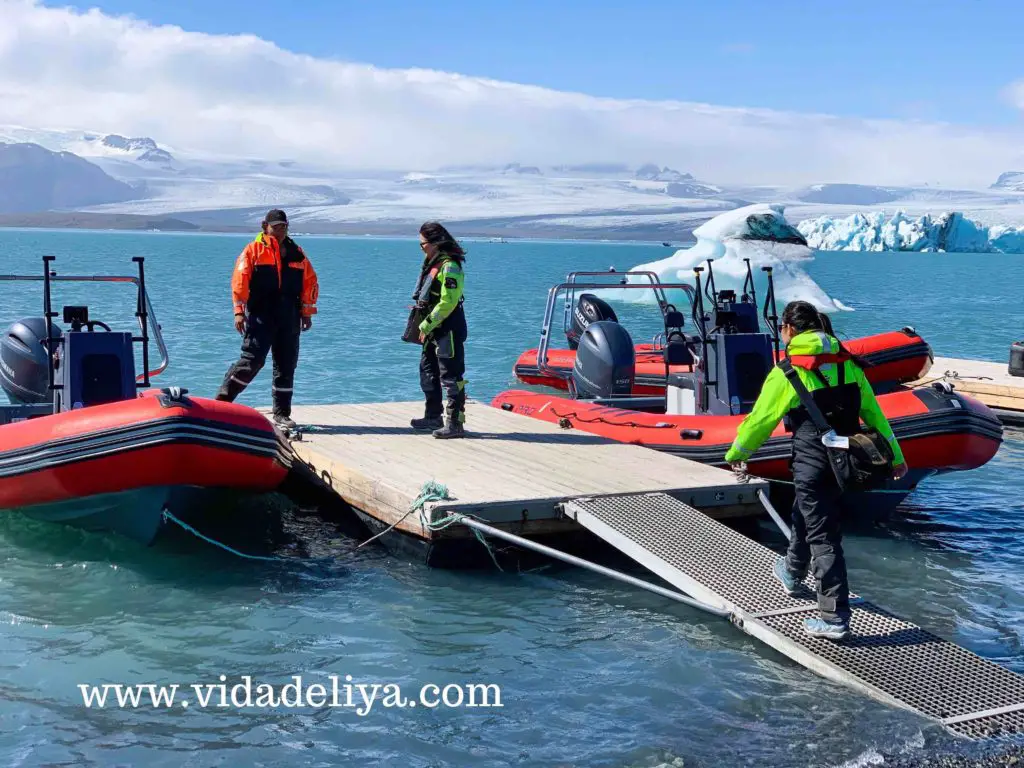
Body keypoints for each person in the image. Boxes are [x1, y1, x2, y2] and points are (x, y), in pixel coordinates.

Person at [724, 301, 908, 641]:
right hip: (844, 462)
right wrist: (896, 456)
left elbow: (760, 421)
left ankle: (833, 616)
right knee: (806, 514)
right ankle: (793, 572)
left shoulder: (788, 372)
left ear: (789, 330)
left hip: (812, 461)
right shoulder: (849, 366)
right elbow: (875, 416)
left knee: (823, 534)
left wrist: (738, 453)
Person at [215, 209, 318, 430]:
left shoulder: (296, 253)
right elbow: (239, 282)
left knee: (286, 365)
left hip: (289, 317)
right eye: (276, 226)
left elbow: (309, 282)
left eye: (284, 226)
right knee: (252, 360)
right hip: (261, 315)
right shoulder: (253, 251)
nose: (281, 230)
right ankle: (221, 403)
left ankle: (282, 414)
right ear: (265, 226)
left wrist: (307, 313)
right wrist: (238, 312)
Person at [408, 221, 468, 439]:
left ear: (434, 243)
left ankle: (455, 422)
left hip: (447, 327)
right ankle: (433, 415)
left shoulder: (449, 266)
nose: (421, 248)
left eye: (422, 244)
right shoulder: (431, 263)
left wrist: (426, 324)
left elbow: (448, 301)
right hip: (431, 327)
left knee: (451, 375)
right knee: (428, 371)